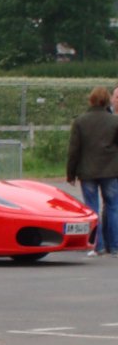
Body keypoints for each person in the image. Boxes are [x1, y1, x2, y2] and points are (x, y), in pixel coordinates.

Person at [66, 86, 118, 257]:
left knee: (92, 208)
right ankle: (115, 246)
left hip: (87, 171)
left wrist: (71, 173)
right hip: (110, 170)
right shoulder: (114, 121)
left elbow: (74, 150)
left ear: (91, 100)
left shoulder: (81, 121)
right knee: (113, 207)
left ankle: (97, 246)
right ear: (107, 100)